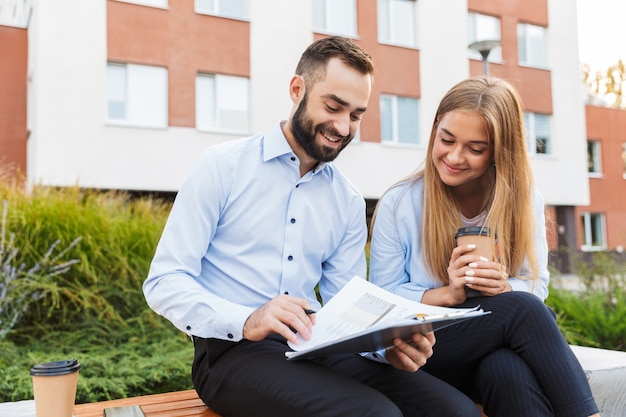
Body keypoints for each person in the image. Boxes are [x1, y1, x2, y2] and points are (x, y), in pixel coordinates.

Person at [143, 36, 480, 417]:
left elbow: (345, 307)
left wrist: (387, 347)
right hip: (231, 353)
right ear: (297, 89)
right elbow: (164, 282)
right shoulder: (222, 166)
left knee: (455, 411)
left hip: (315, 344)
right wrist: (249, 319)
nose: (342, 126)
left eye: (355, 115)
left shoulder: (348, 200)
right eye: (333, 107)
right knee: (373, 414)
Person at [368, 75, 601, 417]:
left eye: (475, 149)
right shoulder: (400, 202)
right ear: (435, 129)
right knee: (523, 310)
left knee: (507, 371)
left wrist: (505, 286)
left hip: (492, 343)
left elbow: (537, 283)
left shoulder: (522, 200)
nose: (454, 156)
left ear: (498, 152)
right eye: (446, 139)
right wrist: (448, 295)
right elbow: (380, 301)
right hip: (427, 348)